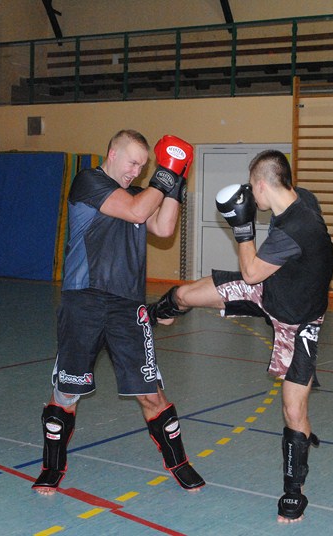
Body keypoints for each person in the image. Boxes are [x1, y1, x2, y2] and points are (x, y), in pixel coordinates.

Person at [148, 149, 333, 522]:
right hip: (270, 291)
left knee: (293, 409)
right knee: (185, 294)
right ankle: (158, 314)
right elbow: (260, 277)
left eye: (252, 186)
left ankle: (294, 491)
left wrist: (242, 225)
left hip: (298, 322)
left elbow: (250, 272)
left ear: (262, 184)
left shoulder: (298, 227)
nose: (250, 193)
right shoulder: (302, 198)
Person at [33, 129, 205, 495]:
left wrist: (176, 181)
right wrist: (165, 173)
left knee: (151, 393)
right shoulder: (88, 182)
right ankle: (52, 467)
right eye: (133, 163)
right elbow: (137, 210)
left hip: (128, 306)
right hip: (84, 300)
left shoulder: (136, 194)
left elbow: (163, 227)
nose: (136, 172)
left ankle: (180, 463)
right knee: (67, 391)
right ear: (112, 153)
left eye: (143, 167)